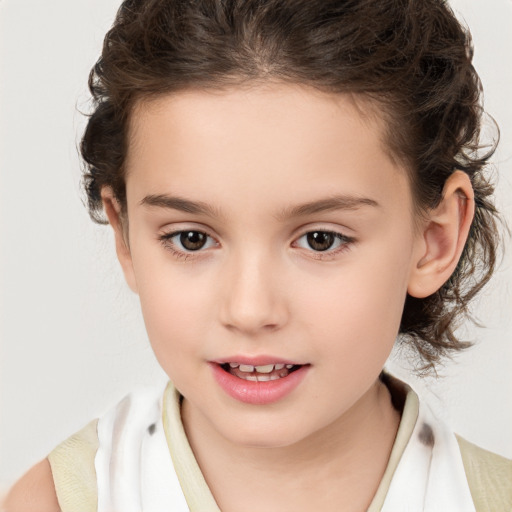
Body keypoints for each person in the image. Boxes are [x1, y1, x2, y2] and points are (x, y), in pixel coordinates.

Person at [3, 0, 511, 510]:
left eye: (320, 239)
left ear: (434, 239)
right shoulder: (58, 501)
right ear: (125, 232)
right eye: (191, 239)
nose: (249, 310)